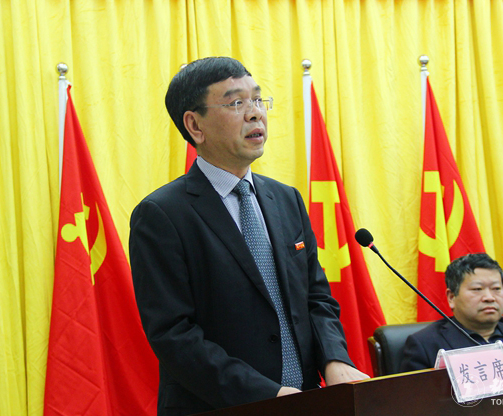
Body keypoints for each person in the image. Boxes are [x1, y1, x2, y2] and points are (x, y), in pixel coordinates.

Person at [129, 57, 367, 415]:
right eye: (236, 103)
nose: (255, 113)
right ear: (195, 125)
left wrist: (334, 359)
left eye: (257, 99)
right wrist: (267, 394)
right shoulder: (162, 215)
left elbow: (316, 297)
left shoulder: (286, 199)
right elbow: (174, 335)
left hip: (305, 399)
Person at [400, 253, 503, 373]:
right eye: (477, 289)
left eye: (496, 289)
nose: (489, 297)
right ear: (451, 297)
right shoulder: (424, 346)